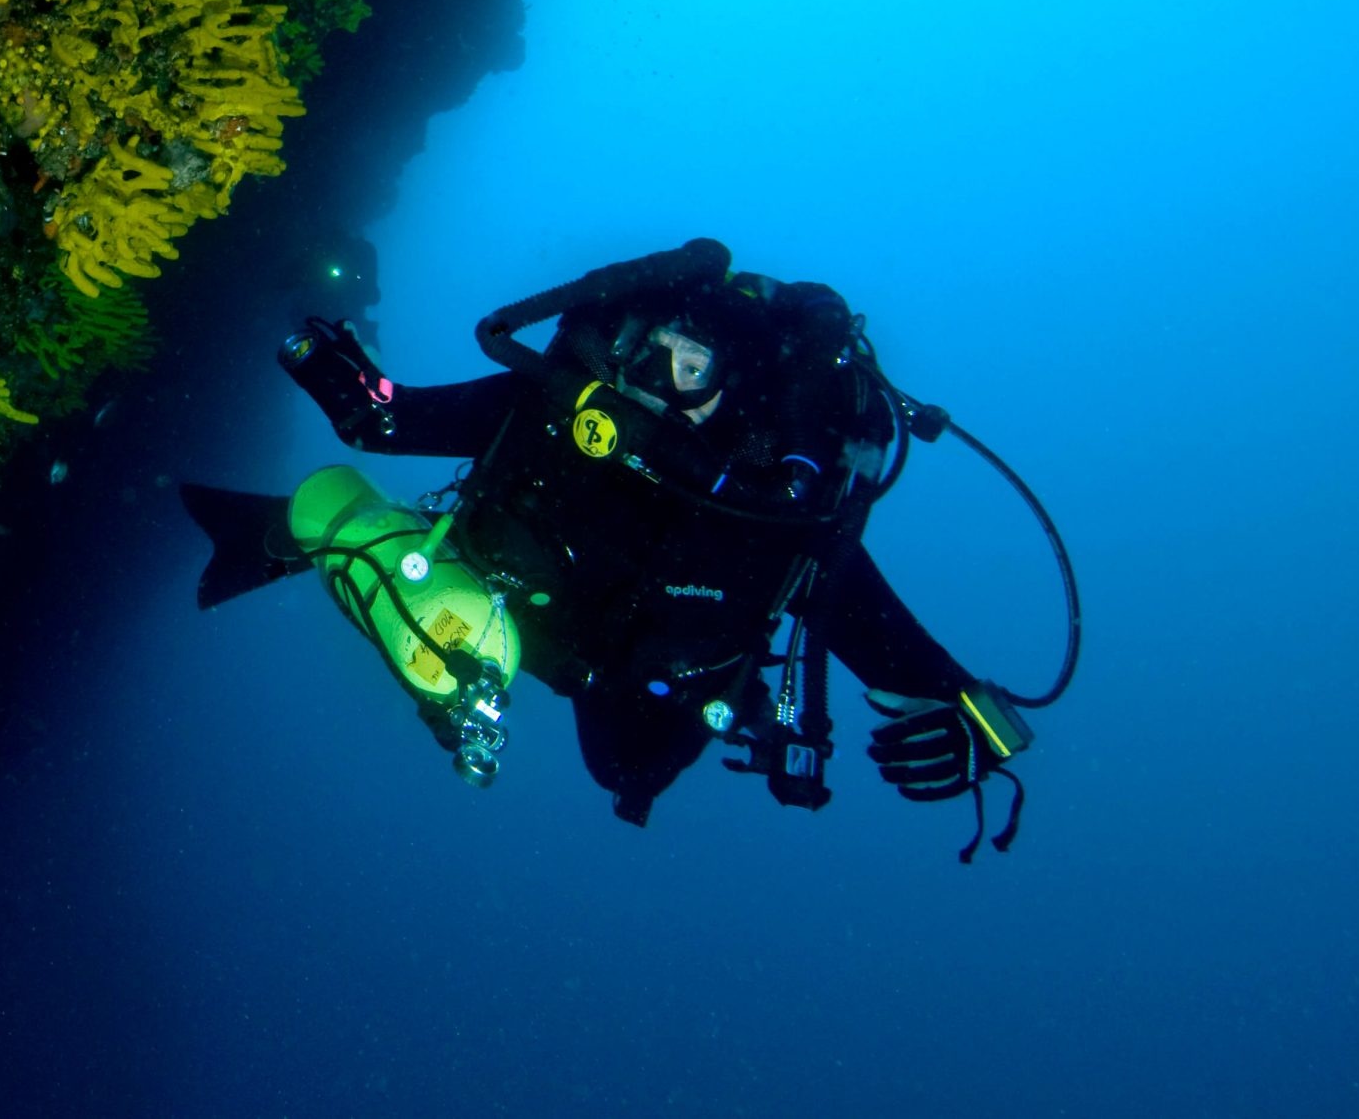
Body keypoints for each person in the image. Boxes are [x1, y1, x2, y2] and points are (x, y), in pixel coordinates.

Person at [186, 239, 1056, 861]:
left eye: (691, 369)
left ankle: (727, 698)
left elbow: (883, 635)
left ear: (739, 386)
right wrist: (353, 388)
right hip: (503, 602)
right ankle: (284, 539)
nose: (658, 384)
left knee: (626, 767)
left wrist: (982, 726)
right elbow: (397, 417)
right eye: (650, 354)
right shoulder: (562, 406)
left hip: (632, 676)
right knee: (402, 573)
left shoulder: (770, 518)